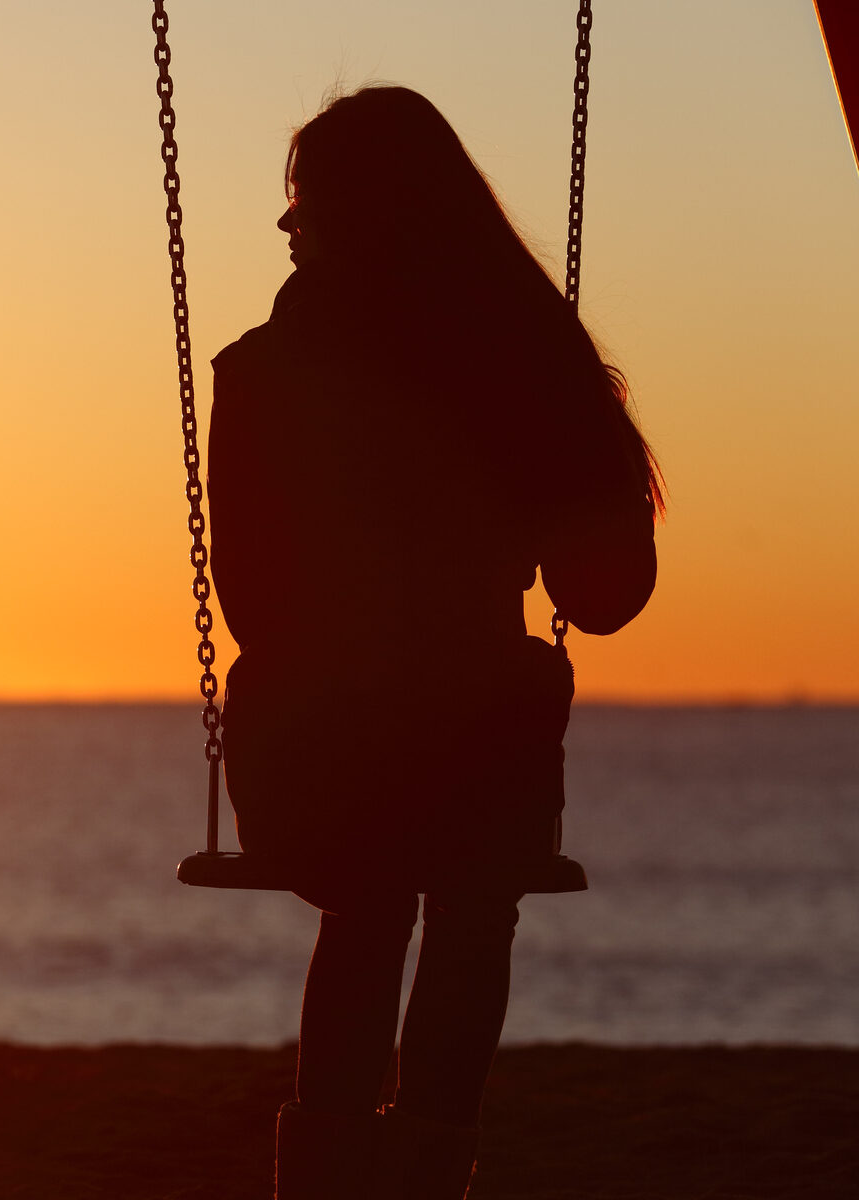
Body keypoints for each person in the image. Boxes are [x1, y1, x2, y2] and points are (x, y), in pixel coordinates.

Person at [207, 86, 660, 1200]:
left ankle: (320, 1177)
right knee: (469, 901)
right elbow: (601, 597)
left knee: (366, 898)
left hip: (312, 742)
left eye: (298, 206)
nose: (288, 229)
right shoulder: (521, 354)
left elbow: (251, 603)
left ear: (341, 216)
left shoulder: (262, 371)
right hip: (472, 739)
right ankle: (423, 1170)